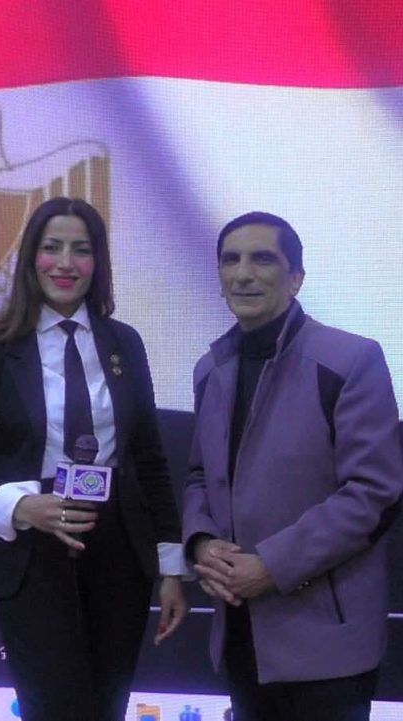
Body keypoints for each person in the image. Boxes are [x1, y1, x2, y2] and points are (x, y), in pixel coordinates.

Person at [0, 197, 187, 721]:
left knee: (106, 707)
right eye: (52, 247)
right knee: (54, 707)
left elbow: (149, 461)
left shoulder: (124, 344)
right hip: (33, 554)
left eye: (81, 249)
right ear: (31, 257)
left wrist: (171, 569)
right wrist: (21, 506)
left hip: (120, 552)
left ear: (97, 262)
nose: (65, 263)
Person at [183, 211, 403, 720]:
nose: (243, 273)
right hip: (240, 634)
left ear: (296, 277)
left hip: (326, 644)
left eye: (263, 259)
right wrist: (201, 543)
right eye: (230, 260)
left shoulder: (351, 360)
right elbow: (199, 476)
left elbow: (374, 492)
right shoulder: (210, 370)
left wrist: (272, 566)